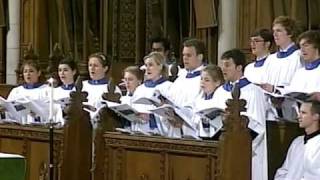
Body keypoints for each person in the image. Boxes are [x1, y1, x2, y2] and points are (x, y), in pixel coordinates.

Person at [212, 49, 268, 180]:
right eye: (222, 65)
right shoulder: (220, 91)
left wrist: (240, 145)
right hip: (223, 148)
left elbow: (259, 127)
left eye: (227, 65)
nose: (223, 69)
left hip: (246, 152)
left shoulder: (254, 92)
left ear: (239, 67)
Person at [260, 16, 303, 121]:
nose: (274, 34)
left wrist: (277, 90)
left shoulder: (299, 57)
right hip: (270, 112)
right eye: (274, 31)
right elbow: (264, 83)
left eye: (279, 31)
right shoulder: (271, 59)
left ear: (290, 33)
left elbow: (301, 86)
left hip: (292, 111)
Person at [164, 38, 206, 137]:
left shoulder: (205, 79)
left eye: (189, 55)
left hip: (190, 131)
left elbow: (201, 106)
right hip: (173, 129)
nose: (185, 58)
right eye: (183, 55)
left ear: (200, 57)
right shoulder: (180, 78)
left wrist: (183, 121)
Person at [274, 100, 320, 180]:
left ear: (316, 116)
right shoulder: (297, 142)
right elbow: (284, 171)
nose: (298, 116)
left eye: (303, 113)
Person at [131, 52, 172, 136]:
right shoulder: (140, 89)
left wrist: (151, 118)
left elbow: (171, 115)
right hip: (139, 133)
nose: (147, 68)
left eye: (151, 65)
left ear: (160, 66)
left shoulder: (169, 87)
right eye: (146, 65)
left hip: (158, 134)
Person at [184, 64, 224, 138]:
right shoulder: (197, 100)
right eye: (201, 79)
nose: (202, 82)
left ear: (217, 82)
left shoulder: (220, 100)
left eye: (207, 80)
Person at [278, 30, 320, 94]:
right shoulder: (299, 72)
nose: (302, 50)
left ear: (317, 47)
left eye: (306, 45)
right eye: (300, 47)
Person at [82, 52, 121, 120]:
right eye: (90, 65)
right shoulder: (82, 85)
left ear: (105, 68)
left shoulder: (112, 88)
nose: (92, 68)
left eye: (96, 66)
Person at [51, 57, 78, 124]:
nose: (62, 73)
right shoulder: (53, 91)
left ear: (74, 71)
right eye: (60, 70)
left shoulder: (78, 90)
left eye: (65, 70)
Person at [119, 66, 143, 130]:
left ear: (139, 81)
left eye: (130, 79)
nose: (127, 82)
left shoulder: (143, 98)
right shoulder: (122, 99)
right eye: (125, 79)